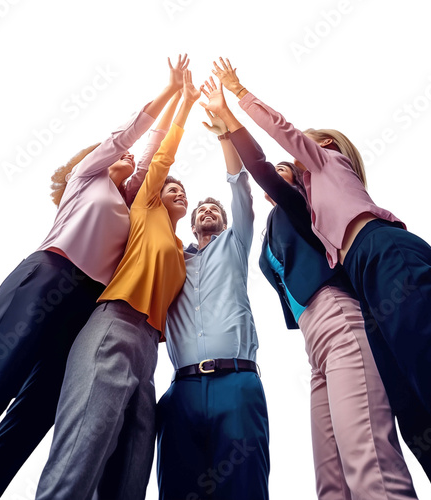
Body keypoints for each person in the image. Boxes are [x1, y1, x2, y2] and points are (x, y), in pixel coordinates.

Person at [0, 54, 189, 500]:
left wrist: (185, 105)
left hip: (82, 310)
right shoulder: (87, 178)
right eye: (123, 158)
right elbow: (131, 134)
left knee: (35, 416)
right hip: (44, 281)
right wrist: (170, 91)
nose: (131, 158)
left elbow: (157, 150)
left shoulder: (130, 203)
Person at [210, 56, 431, 499]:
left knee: (374, 455)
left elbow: (264, 163)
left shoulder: (309, 191)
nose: (290, 169)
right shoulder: (299, 228)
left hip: (348, 309)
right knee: (333, 479)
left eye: (293, 168)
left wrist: (236, 103)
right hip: (315, 341)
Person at [35, 69, 200, 500]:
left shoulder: (182, 250)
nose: (178, 190)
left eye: (184, 189)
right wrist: (185, 101)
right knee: (82, 453)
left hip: (149, 351)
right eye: (172, 186)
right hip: (115, 324)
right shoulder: (145, 207)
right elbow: (162, 155)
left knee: (131, 471)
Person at [156, 105, 269, 500]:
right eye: (201, 209)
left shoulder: (236, 245)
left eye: (214, 209)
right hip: (181, 391)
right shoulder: (172, 259)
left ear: (223, 221)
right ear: (192, 222)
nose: (207, 210)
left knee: (244, 488)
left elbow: (240, 188)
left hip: (237, 383)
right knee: (176, 490)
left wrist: (224, 136)